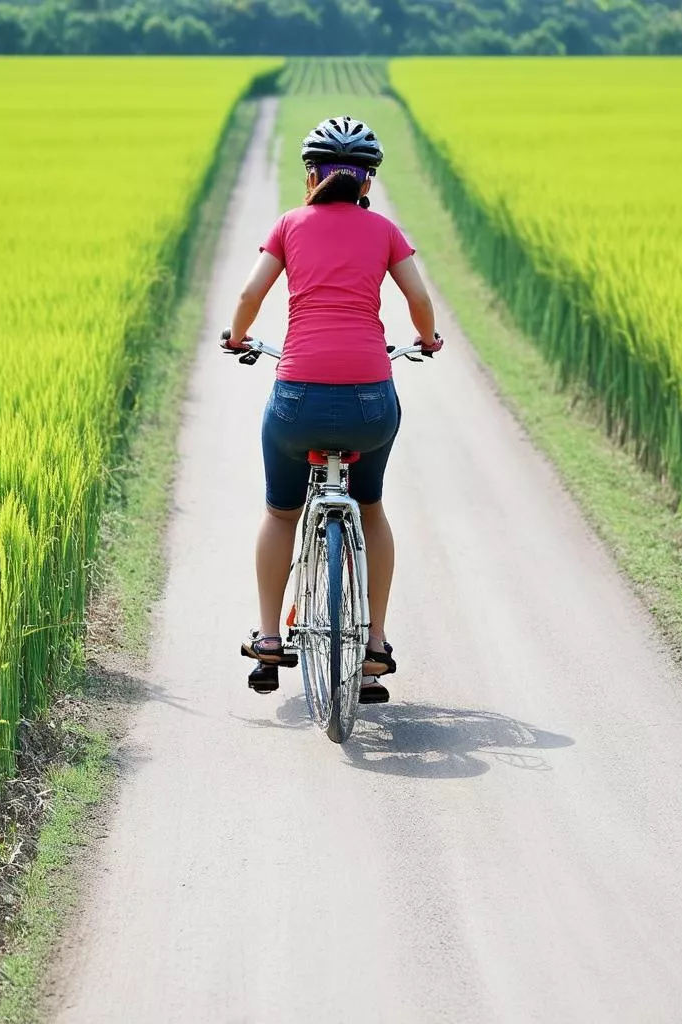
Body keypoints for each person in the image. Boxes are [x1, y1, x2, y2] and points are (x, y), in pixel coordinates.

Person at [223, 114, 442, 701]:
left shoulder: (290, 225)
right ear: (366, 181)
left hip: (298, 401)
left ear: (312, 174)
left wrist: (238, 337)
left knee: (279, 514)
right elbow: (419, 299)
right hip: (371, 403)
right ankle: (374, 645)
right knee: (370, 507)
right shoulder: (386, 231)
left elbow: (250, 295)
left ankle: (270, 639)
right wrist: (426, 339)